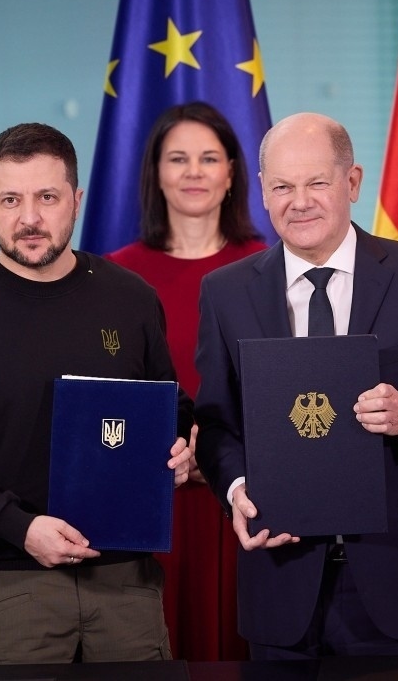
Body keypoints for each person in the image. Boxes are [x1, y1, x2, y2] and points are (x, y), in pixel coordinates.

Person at [193, 112, 398, 659]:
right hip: (280, 575)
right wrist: (237, 489)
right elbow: (216, 423)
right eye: (282, 187)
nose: (299, 202)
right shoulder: (225, 293)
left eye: (317, 183)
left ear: (352, 182)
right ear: (262, 190)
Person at [0, 122, 195, 665]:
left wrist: (181, 449)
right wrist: (21, 528)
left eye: (47, 197)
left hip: (126, 581)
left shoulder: (130, 298)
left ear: (76, 200)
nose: (28, 218)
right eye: (10, 199)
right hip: (9, 583)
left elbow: (168, 407)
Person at [106, 101, 265, 661]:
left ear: (232, 173)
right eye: (178, 159)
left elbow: (285, 391)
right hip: (150, 501)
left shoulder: (270, 268)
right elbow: (108, 394)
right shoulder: (114, 275)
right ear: (155, 173)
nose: (194, 172)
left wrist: (219, 460)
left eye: (208, 158)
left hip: (247, 500)